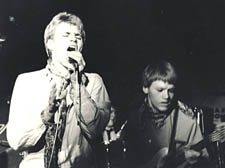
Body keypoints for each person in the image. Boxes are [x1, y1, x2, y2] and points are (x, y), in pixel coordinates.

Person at [6, 11, 111, 168]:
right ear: (50, 43)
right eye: (66, 34)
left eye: (78, 36)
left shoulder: (93, 82)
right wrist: (47, 115)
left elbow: (95, 131)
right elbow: (16, 140)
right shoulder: (26, 82)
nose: (73, 39)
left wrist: (78, 84)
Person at [125, 59, 210, 168]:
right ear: (145, 88)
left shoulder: (188, 123)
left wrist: (194, 161)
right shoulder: (133, 120)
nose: (166, 96)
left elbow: (205, 163)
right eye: (160, 90)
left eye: (171, 90)